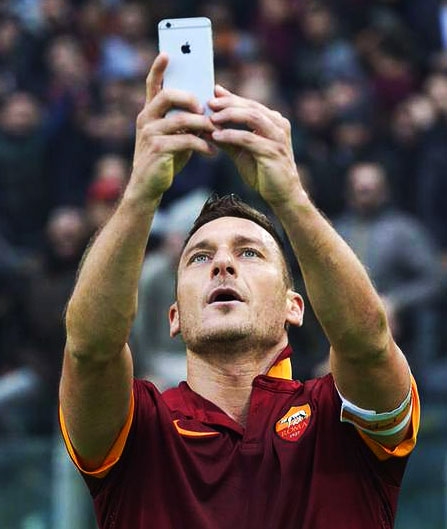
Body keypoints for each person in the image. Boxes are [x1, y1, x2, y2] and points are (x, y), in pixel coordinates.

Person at [59, 53, 420, 529]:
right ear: (174, 316)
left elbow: (368, 343)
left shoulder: (342, 415)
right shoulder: (137, 428)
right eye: (199, 257)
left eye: (249, 252)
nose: (223, 263)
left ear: (295, 307)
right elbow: (89, 350)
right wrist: (142, 191)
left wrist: (289, 196)